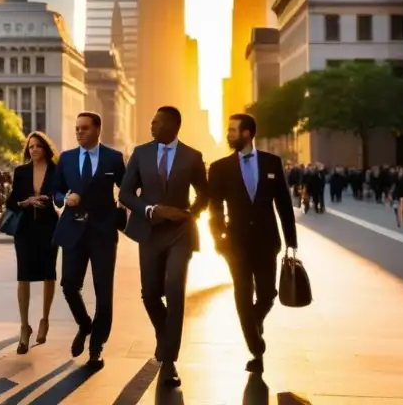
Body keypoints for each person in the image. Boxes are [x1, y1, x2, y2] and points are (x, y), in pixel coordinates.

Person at [120, 106, 209, 388]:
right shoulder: (140, 153)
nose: (152, 126)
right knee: (150, 294)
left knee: (174, 289)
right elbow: (125, 193)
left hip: (180, 233)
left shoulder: (192, 157)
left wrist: (190, 214)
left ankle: (170, 361)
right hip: (149, 232)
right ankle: (165, 335)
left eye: (156, 122)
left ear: (173, 125)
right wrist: (151, 210)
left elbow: (205, 194)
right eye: (152, 121)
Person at [208, 113, 297, 374]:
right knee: (242, 294)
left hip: (267, 241)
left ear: (247, 134)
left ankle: (253, 321)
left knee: (268, 294)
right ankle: (256, 347)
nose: (228, 135)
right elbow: (214, 209)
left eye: (233, 131)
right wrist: (219, 238)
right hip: (235, 245)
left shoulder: (272, 163)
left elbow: (283, 204)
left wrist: (291, 240)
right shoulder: (220, 168)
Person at [51, 112, 126, 371]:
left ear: (97, 129)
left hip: (103, 233)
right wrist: (64, 199)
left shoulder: (113, 158)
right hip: (73, 230)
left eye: (84, 128)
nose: (79, 132)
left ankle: (97, 344)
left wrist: (120, 212)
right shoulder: (67, 158)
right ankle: (85, 324)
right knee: (69, 285)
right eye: (77, 129)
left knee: (104, 291)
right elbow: (56, 190)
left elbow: (126, 189)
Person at [5, 131, 59, 355]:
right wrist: (25, 202)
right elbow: (10, 201)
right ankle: (24, 326)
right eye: (30, 146)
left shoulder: (57, 171)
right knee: (23, 275)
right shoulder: (21, 171)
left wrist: (51, 200)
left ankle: (45, 319)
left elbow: (62, 195)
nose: (33, 149)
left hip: (49, 227)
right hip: (25, 229)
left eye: (37, 146)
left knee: (49, 273)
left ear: (46, 148)